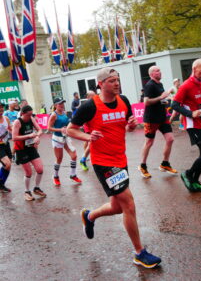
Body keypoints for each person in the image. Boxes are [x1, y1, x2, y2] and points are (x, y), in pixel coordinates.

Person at [67, 67, 161, 269]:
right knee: (129, 204)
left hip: (121, 159)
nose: (116, 83)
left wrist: (131, 125)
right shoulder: (90, 106)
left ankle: (89, 216)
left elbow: (127, 125)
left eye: (117, 79)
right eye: (111, 81)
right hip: (103, 162)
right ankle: (139, 252)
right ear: (101, 84)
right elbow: (70, 129)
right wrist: (87, 136)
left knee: (118, 207)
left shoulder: (124, 100)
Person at [172, 59, 201, 192]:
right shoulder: (185, 85)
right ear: (194, 69)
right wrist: (190, 113)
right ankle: (188, 174)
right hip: (192, 124)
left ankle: (195, 181)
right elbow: (174, 105)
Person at [138, 65, 177, 178]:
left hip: (162, 117)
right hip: (151, 119)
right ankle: (143, 166)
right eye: (156, 71)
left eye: (160, 70)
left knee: (170, 139)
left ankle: (165, 164)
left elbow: (161, 99)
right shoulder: (149, 85)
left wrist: (166, 100)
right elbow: (146, 102)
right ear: (151, 74)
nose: (159, 72)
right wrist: (161, 97)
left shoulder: (160, 84)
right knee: (149, 143)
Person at [12, 105, 46, 201]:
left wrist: (37, 137)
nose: (30, 116)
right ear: (22, 114)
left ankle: (36, 188)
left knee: (40, 169)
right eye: (28, 115)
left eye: (31, 114)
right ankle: (27, 191)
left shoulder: (31, 118)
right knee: (29, 172)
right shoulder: (17, 122)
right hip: (21, 149)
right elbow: (14, 137)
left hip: (31, 147)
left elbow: (40, 130)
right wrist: (28, 136)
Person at [48, 97, 82, 186]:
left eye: (63, 103)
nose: (62, 105)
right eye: (60, 103)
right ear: (55, 105)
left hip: (66, 138)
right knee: (59, 159)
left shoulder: (65, 113)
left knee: (74, 155)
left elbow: (67, 125)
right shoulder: (53, 115)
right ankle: (55, 176)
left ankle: (73, 175)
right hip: (57, 139)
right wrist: (60, 130)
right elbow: (49, 128)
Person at [80, 90, 96, 171]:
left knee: (89, 142)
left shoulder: (94, 103)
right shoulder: (86, 105)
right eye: (92, 95)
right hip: (88, 126)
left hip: (93, 126)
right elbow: (83, 117)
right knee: (90, 142)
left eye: (95, 95)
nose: (94, 97)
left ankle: (85, 156)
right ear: (88, 97)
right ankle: (84, 158)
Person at [0, 102, 12, 192]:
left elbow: (11, 129)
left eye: (2, 108)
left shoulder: (6, 118)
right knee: (7, 164)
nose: (1, 109)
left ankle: (2, 184)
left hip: (6, 143)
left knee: (8, 165)